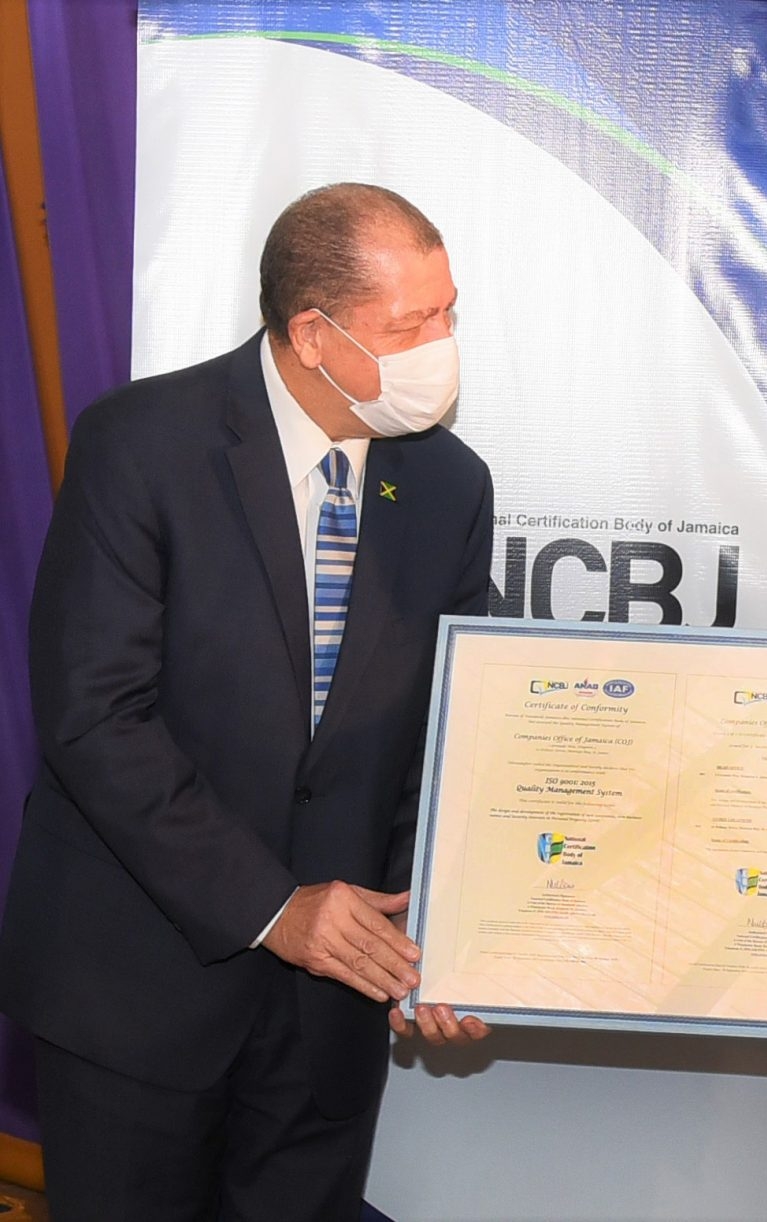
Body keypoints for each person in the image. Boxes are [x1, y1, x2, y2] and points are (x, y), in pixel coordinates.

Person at [0, 183, 494, 1220]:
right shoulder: (142, 444)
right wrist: (274, 909)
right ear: (314, 336)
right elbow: (98, 718)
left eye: (448, 313)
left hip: (327, 1016)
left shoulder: (448, 486)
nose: (441, 344)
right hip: (138, 992)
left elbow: (452, 734)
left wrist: (447, 929)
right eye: (411, 325)